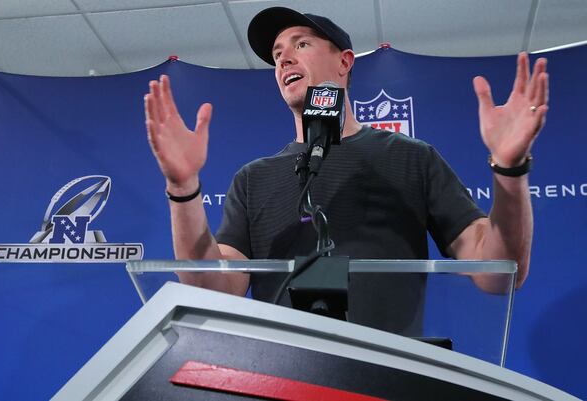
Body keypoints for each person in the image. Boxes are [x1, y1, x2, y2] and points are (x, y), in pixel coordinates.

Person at [144, 7, 548, 329]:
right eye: (277, 54)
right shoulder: (253, 179)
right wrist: (183, 187)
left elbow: (498, 273)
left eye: (300, 44)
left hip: (391, 381)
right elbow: (216, 285)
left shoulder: (412, 157)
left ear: (344, 61)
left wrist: (510, 170)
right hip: (282, 379)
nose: (283, 57)